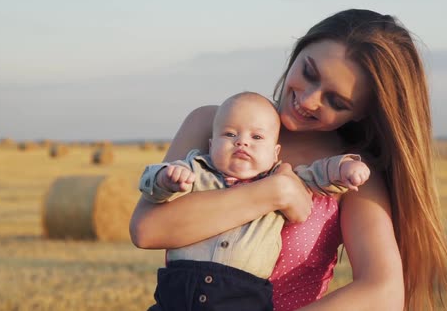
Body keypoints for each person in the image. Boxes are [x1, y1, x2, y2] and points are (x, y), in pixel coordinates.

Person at [130, 9, 447, 310]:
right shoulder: (210, 124)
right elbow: (147, 229)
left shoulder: (352, 173)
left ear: (363, 112)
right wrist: (275, 193)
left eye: (336, 101)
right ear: (299, 50)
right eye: (309, 72)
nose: (308, 100)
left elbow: (383, 292)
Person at [138, 92, 369, 311]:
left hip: (242, 295)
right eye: (229, 134)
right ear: (211, 145)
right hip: (177, 289)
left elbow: (319, 175)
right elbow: (151, 187)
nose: (242, 142)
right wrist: (164, 179)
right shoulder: (195, 169)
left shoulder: (282, 177)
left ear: (276, 152)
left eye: (256, 137)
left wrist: (345, 167)